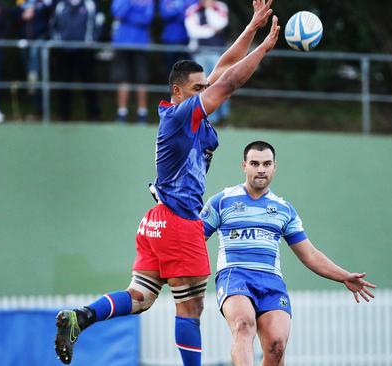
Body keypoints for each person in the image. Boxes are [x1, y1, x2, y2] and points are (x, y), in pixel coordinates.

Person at [54, 1, 280, 365]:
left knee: (141, 297)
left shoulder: (189, 111)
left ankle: (82, 316)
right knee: (190, 309)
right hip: (179, 221)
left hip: (155, 221)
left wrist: (252, 27)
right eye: (196, 88)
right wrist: (264, 49)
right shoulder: (180, 115)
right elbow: (232, 81)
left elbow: (223, 67)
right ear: (177, 91)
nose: (204, 91)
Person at [201, 140, 377, 366]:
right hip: (235, 276)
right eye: (255, 163)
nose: (261, 169)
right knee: (243, 325)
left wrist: (344, 276)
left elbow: (310, 255)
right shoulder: (222, 201)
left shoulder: (284, 209)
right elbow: (195, 239)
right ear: (244, 166)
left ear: (275, 167)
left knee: (276, 347)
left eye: (266, 164)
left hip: (271, 281)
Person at [51, 0, 103, 121]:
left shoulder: (90, 4)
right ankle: (64, 115)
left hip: (84, 51)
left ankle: (94, 115)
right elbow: (53, 25)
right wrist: (58, 41)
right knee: (64, 83)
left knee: (89, 82)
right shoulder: (61, 5)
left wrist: (92, 40)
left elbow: (99, 24)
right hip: (64, 51)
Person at [185, 0, 230, 124]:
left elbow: (220, 24)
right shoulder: (192, 9)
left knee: (221, 85)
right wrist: (211, 31)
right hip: (200, 53)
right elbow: (193, 32)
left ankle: (223, 118)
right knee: (202, 87)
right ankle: (209, 119)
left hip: (218, 54)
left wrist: (209, 10)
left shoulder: (220, 7)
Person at [110, 0, 154, 123]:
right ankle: (122, 113)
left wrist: (129, 17)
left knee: (142, 79)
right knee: (122, 79)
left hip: (141, 44)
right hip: (121, 44)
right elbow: (118, 13)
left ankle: (142, 114)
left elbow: (147, 19)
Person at [15, 0, 54, 118]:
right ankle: (38, 111)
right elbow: (12, 18)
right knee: (34, 78)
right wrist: (22, 17)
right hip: (25, 43)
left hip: (42, 42)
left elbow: (53, 15)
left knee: (40, 77)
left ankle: (44, 112)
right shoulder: (21, 2)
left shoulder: (45, 3)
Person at [159, 0, 196, 73]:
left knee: (188, 67)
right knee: (171, 67)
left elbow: (193, 15)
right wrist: (180, 10)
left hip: (187, 37)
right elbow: (164, 14)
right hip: (170, 38)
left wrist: (175, 10)